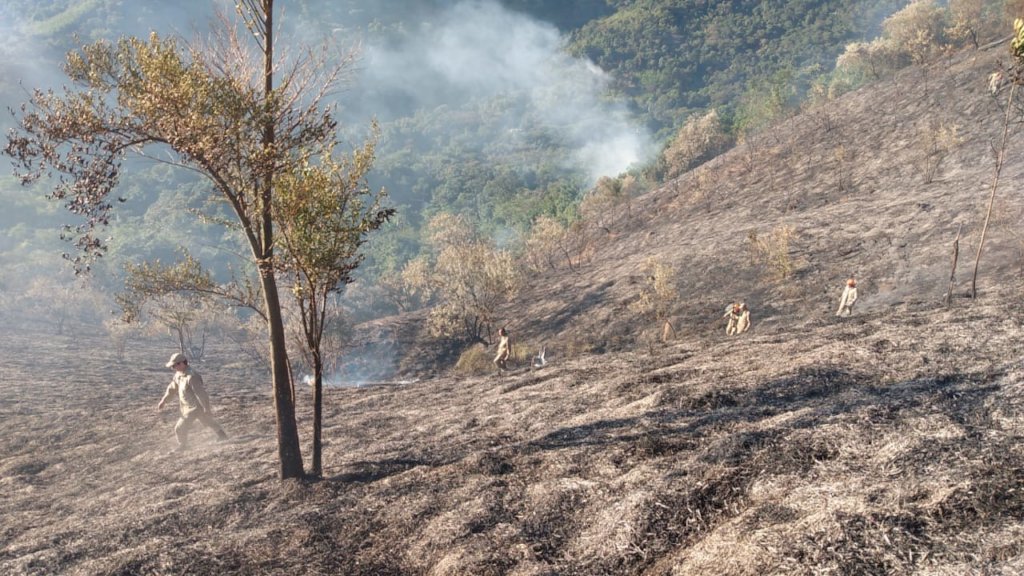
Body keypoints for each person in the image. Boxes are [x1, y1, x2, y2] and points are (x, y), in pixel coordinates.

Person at [156, 352, 227, 452]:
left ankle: (183, 446)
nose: (172, 368)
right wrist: (164, 400)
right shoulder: (179, 375)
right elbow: (172, 388)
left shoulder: (192, 376)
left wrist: (206, 408)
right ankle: (222, 436)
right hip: (186, 406)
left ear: (181, 364)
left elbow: (201, 393)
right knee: (208, 421)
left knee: (179, 427)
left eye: (174, 366)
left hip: (195, 407)